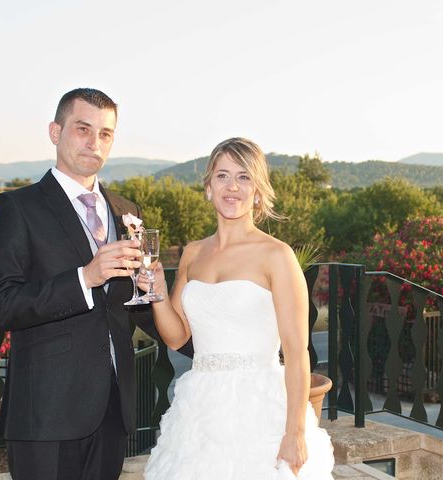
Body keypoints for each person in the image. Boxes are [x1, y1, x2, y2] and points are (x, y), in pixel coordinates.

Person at [0, 88, 157, 480]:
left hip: (113, 409)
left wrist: (153, 293)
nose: (94, 142)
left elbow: (132, 307)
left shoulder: (128, 212)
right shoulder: (16, 208)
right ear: (55, 131)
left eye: (106, 134)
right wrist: (84, 278)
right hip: (45, 413)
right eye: (83, 128)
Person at [143, 138, 334, 479]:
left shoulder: (277, 255)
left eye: (244, 177)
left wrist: (294, 432)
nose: (232, 187)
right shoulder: (193, 253)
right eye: (222, 176)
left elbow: (296, 351)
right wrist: (157, 292)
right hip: (199, 414)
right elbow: (175, 337)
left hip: (260, 413)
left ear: (258, 191)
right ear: (208, 187)